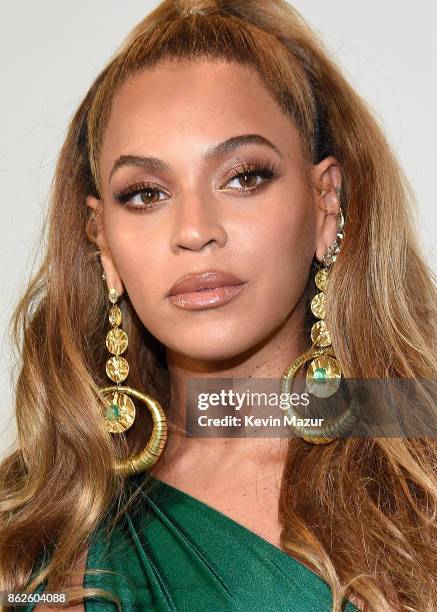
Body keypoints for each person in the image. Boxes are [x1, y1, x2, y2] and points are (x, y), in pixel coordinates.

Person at [0, 0, 436, 610]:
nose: (195, 229)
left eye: (244, 177)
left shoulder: (423, 464)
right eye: (146, 193)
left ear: (326, 202)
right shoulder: (36, 525)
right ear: (102, 237)